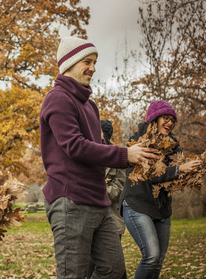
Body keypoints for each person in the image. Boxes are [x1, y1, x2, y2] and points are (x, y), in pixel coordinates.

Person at [39, 36, 160, 279]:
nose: (93, 68)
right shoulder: (58, 98)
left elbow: (98, 147)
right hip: (70, 202)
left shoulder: (90, 106)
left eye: (95, 62)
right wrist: (126, 155)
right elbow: (75, 146)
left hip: (98, 201)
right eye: (87, 61)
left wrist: (138, 153)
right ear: (69, 64)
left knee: (114, 271)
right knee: (72, 275)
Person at [122, 100, 202, 279]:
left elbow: (175, 175)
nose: (170, 123)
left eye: (172, 120)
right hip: (138, 205)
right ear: (154, 119)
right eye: (165, 118)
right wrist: (179, 169)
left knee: (158, 262)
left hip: (162, 209)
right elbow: (151, 174)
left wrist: (195, 170)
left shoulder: (173, 145)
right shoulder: (139, 141)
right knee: (151, 257)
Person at [87, 120, 127, 278]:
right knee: (94, 266)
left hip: (112, 220)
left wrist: (97, 188)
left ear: (105, 134)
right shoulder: (87, 153)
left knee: (115, 267)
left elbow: (117, 191)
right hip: (89, 217)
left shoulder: (117, 158)